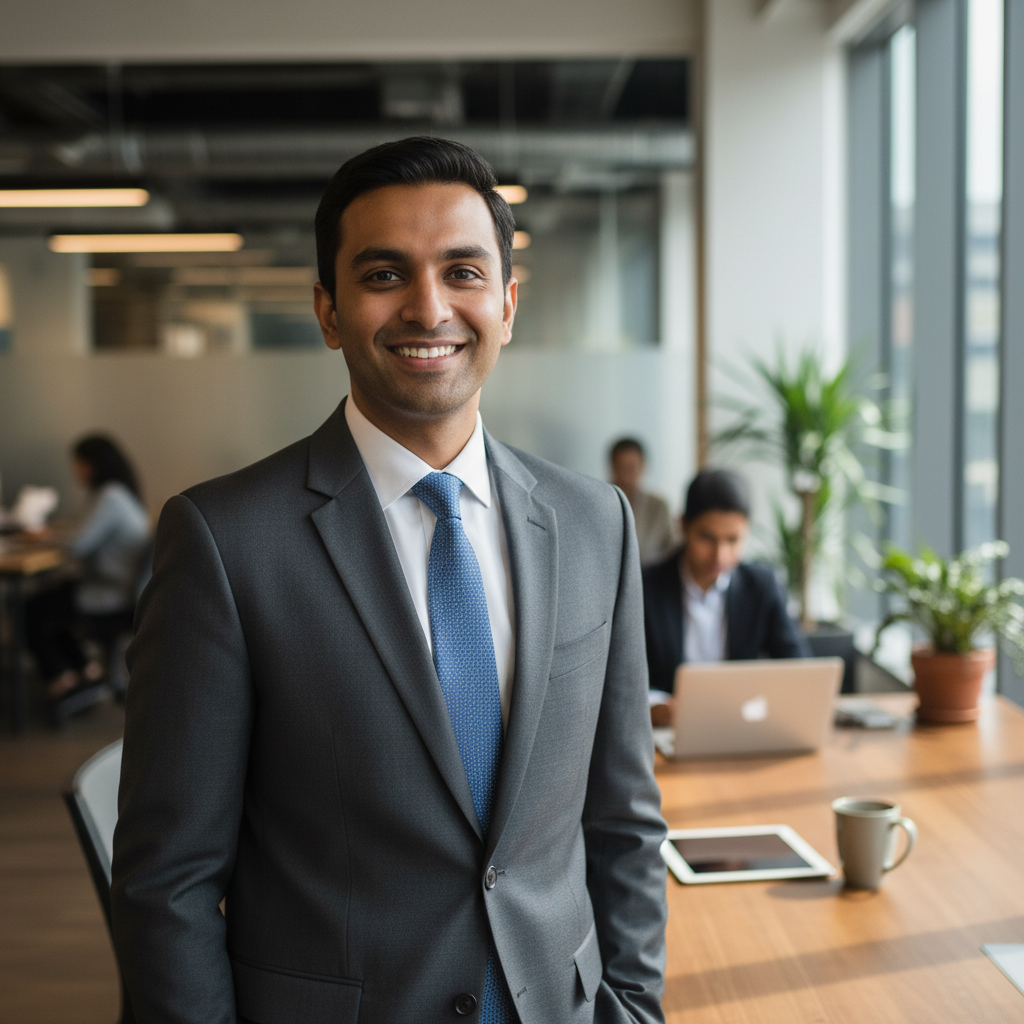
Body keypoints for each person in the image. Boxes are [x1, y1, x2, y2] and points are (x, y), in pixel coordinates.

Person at [111, 137, 667, 1024]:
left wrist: (635, 1006)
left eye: (463, 272)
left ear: (508, 304)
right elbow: (167, 882)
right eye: (383, 275)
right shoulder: (223, 542)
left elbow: (625, 820)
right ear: (329, 312)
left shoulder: (596, 522)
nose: (429, 307)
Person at [643, 468, 809, 725]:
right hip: (668, 730)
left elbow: (798, 669)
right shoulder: (646, 586)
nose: (720, 555)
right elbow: (624, 679)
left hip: (741, 725)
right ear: (683, 526)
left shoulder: (761, 585)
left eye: (733, 540)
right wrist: (654, 708)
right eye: (707, 538)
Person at [24, 434, 149, 698]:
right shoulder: (117, 494)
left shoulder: (110, 497)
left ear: (92, 464)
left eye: (78, 464)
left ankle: (60, 676)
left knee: (30, 609)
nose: (75, 471)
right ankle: (83, 668)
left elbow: (78, 544)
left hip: (110, 595)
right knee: (50, 600)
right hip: (117, 588)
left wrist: (46, 536)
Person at [609, 437, 674, 565]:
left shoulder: (658, 506)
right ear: (612, 466)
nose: (626, 475)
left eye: (631, 467)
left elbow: (669, 550)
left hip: (651, 578)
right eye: (621, 467)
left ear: (643, 466)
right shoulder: (599, 502)